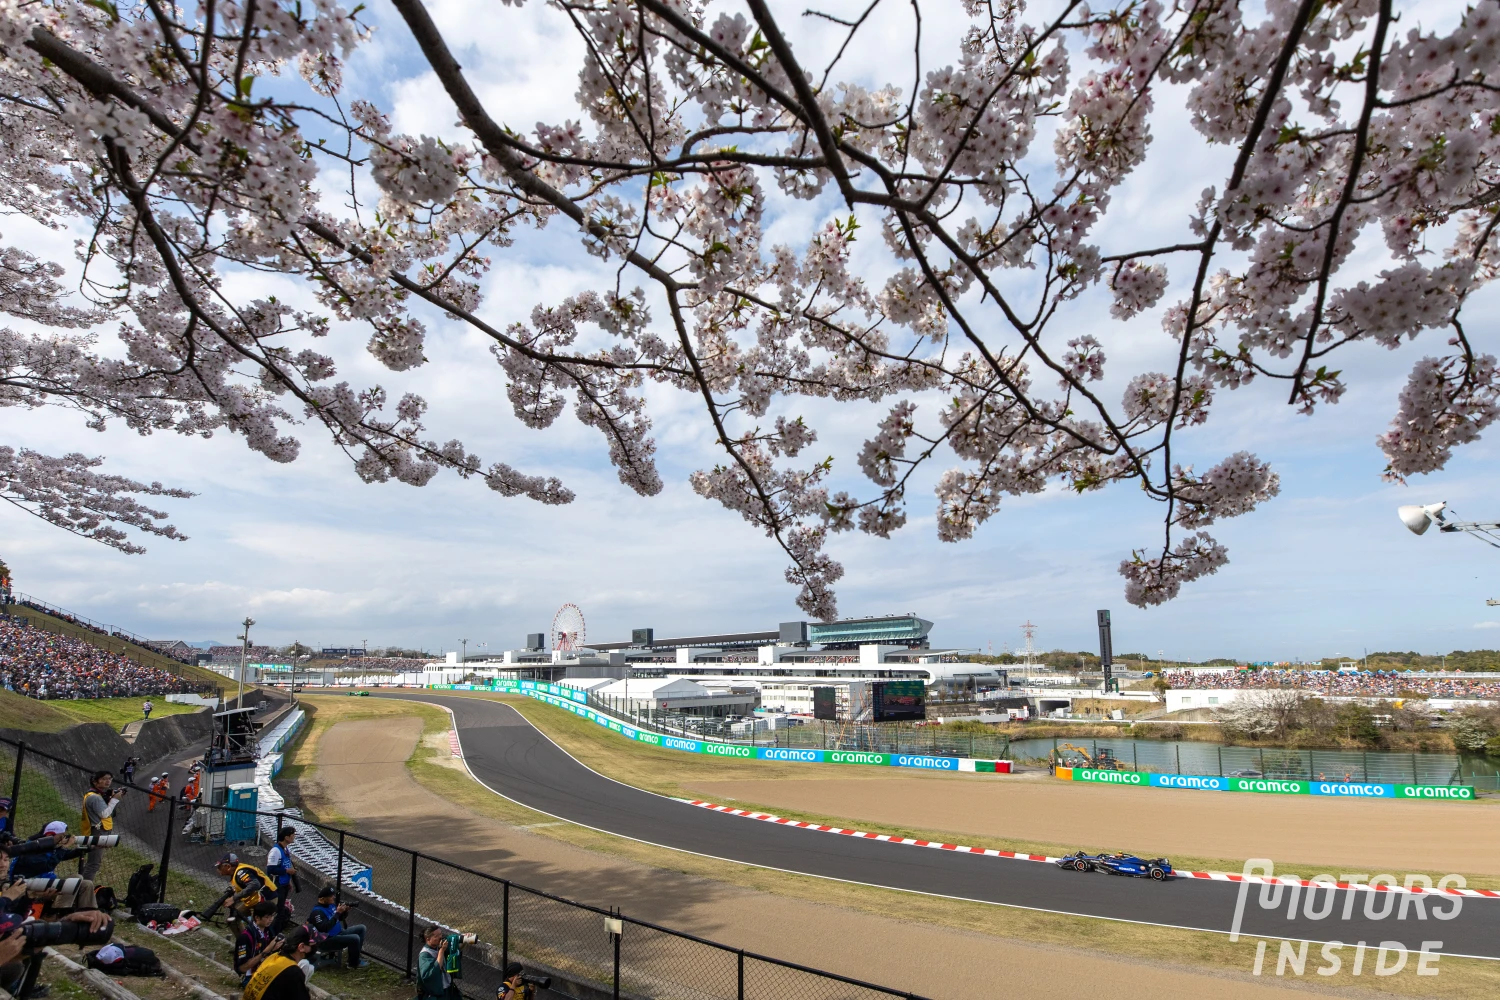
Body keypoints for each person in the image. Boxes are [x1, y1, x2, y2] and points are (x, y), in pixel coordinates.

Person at [242, 925, 317, 1000]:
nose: (316, 947)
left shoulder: (275, 956)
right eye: (313, 945)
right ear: (301, 947)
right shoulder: (294, 972)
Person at [203, 853, 272, 931]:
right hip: (254, 900)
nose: (217, 869)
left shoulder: (240, 872)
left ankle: (257, 940)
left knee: (257, 929)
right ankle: (244, 940)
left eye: (219, 867)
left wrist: (234, 898)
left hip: (266, 900)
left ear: (228, 866)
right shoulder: (237, 873)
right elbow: (245, 888)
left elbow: (255, 885)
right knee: (232, 919)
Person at [307, 886, 365, 969]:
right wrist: (337, 913)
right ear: (323, 899)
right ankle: (353, 964)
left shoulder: (331, 905)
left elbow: (340, 918)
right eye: (331, 896)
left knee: (361, 928)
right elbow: (324, 928)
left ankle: (354, 958)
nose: (333, 897)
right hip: (326, 940)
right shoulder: (317, 912)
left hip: (338, 933)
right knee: (355, 938)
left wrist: (345, 912)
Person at [79, 771, 123, 880]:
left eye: (110, 778)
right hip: (98, 831)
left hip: (97, 830)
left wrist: (109, 798)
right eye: (104, 778)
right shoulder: (95, 797)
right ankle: (84, 888)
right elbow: (104, 813)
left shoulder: (95, 795)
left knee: (93, 862)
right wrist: (115, 799)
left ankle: (82, 885)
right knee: (94, 863)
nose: (108, 781)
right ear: (95, 781)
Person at [9, 822, 86, 880]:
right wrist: (64, 847)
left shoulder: (47, 846)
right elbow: (48, 865)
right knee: (77, 881)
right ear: (49, 835)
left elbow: (64, 855)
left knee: (82, 882)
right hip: (32, 887)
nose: (63, 839)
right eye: (61, 836)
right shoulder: (33, 849)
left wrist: (88, 848)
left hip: (45, 882)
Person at [233, 901, 283, 985]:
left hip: (263, 971)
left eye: (272, 916)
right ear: (257, 918)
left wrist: (274, 949)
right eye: (267, 917)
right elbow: (242, 968)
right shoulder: (246, 937)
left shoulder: (268, 931)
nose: (270, 919)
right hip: (249, 977)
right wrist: (267, 950)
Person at [263, 827, 299, 933]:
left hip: (283, 884)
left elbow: (285, 864)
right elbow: (271, 869)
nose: (294, 837)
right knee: (278, 912)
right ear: (286, 837)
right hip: (277, 885)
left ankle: (274, 933)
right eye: (292, 835)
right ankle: (272, 934)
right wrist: (287, 871)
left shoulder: (285, 849)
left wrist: (288, 881)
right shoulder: (275, 851)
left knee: (281, 911)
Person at [416, 924, 462, 1000]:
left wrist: (466, 941)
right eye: (436, 936)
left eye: (440, 934)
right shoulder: (424, 955)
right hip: (436, 991)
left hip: (447, 986)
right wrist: (441, 950)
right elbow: (433, 972)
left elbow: (456, 950)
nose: (440, 937)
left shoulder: (438, 946)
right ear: (428, 939)